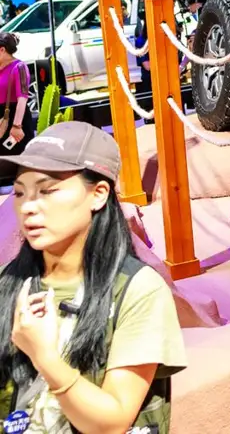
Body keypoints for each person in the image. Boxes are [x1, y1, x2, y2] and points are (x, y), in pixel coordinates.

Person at [0, 121, 184, 432]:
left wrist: (44, 356)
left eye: (47, 191)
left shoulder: (138, 289)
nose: (28, 206)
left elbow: (111, 424)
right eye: (19, 192)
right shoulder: (9, 282)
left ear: (98, 194)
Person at [0, 33, 31, 160]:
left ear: (2, 50)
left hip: (14, 117)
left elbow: (22, 98)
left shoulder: (19, 67)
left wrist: (17, 126)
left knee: (13, 160)